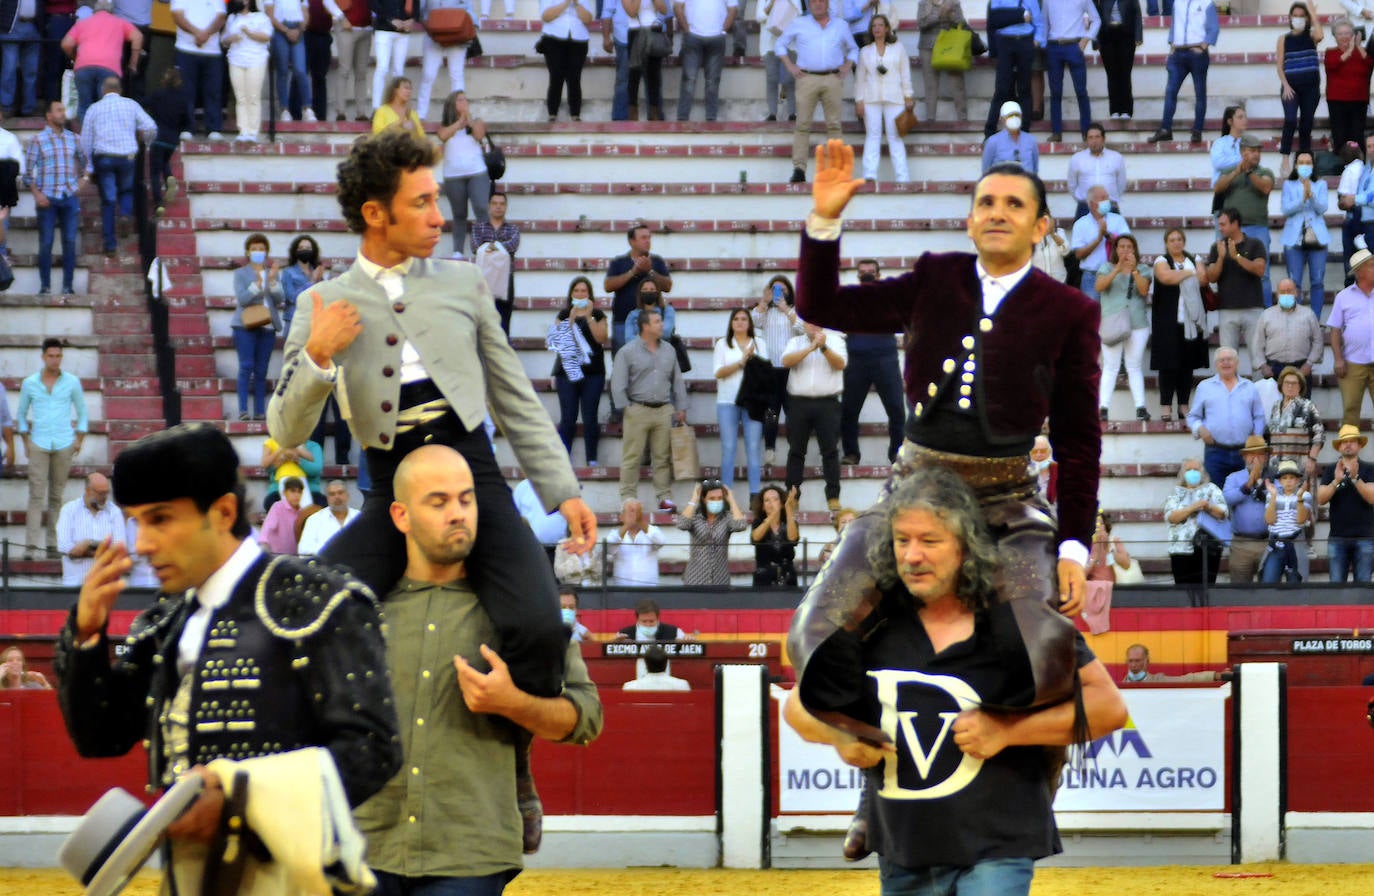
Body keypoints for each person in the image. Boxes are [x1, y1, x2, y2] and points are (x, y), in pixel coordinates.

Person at [268, 130, 596, 706]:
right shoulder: (319, 304)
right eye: (421, 203)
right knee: (302, 615)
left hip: (475, 480)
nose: (440, 217)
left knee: (542, 626)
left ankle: (511, 757)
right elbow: (285, 432)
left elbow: (514, 394)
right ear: (375, 214)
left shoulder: (465, 282)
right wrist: (318, 353)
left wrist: (562, 492)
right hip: (390, 494)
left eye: (436, 199)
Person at [790, 145, 1100, 738]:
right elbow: (820, 304)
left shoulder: (1070, 310)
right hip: (913, 492)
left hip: (1007, 502)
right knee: (815, 635)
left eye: (1013, 204)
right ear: (969, 219)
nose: (996, 212)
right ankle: (883, 762)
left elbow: (1079, 442)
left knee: (1039, 655)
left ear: (1040, 227)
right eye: (985, 202)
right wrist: (824, 222)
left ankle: (1009, 764)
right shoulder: (936, 275)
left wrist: (1074, 549)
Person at [53, 424, 402, 878]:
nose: (141, 544)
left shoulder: (315, 600)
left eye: (160, 519)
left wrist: (238, 804)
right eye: (137, 522)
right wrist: (85, 637)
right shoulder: (164, 621)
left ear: (221, 512)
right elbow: (101, 737)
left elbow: (373, 749)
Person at [783, 468, 1127, 896]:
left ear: (965, 548)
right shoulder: (872, 626)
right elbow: (797, 707)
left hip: (998, 846)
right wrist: (839, 736)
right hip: (903, 852)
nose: (912, 555)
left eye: (930, 541)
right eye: (902, 540)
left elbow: (1109, 708)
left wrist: (1008, 731)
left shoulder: (1020, 622)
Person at [353, 444, 602, 877]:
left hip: (471, 855)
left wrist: (514, 704)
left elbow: (587, 719)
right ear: (400, 516)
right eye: (438, 501)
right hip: (360, 849)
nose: (457, 513)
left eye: (466, 500)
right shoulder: (358, 609)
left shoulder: (520, 608)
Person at [17, 338, 87, 561]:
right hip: (39, 442)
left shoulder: (72, 382)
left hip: (64, 443)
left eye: (58, 356)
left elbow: (82, 412)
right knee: (36, 495)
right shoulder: (30, 383)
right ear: (43, 356)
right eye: (51, 356)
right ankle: (30, 547)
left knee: (56, 496)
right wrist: (25, 441)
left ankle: (52, 545)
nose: (55, 360)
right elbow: (21, 414)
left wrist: (79, 439)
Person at [775, 0, 859, 184]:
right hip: (807, 78)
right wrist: (790, 66)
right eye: (814, 1)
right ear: (809, 4)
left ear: (828, 3)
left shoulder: (841, 25)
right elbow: (780, 45)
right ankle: (799, 169)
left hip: (833, 78)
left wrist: (847, 65)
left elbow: (853, 48)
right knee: (802, 125)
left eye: (822, 0)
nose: (818, 4)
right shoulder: (799, 23)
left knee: (834, 125)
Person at [612, 309, 687, 511]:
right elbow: (618, 383)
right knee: (632, 456)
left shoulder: (669, 350)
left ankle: (664, 497)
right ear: (645, 326)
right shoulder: (627, 351)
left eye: (661, 321)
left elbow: (677, 380)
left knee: (662, 457)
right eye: (657, 321)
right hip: (638, 408)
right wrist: (626, 408)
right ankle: (628, 497)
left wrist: (680, 407)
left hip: (663, 409)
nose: (661, 325)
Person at [78, 76, 155, 256]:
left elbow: (85, 140)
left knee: (108, 200)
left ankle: (110, 244)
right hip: (127, 155)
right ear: (120, 90)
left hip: (104, 156)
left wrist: (88, 166)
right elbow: (151, 127)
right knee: (127, 191)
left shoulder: (94, 108)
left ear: (103, 90)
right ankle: (125, 214)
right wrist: (146, 143)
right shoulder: (131, 105)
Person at [840, 259, 905, 466]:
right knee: (849, 410)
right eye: (863, 273)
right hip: (856, 360)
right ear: (858, 276)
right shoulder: (849, 298)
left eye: (871, 272)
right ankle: (851, 453)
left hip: (885, 358)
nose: (866, 275)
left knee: (896, 408)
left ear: (878, 275)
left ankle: (897, 452)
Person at [783, 320, 848, 511]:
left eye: (816, 322)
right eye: (809, 323)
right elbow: (786, 361)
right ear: (804, 325)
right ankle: (793, 495)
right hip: (798, 403)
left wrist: (824, 347)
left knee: (830, 451)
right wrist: (811, 348)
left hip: (827, 403)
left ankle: (833, 496)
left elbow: (840, 364)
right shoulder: (795, 342)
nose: (813, 326)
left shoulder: (836, 341)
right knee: (796, 450)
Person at [24, 100, 85, 297]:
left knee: (69, 242)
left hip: (69, 197)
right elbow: (27, 174)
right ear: (49, 116)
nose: (63, 114)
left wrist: (82, 182)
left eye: (63, 110)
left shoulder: (74, 139)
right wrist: (37, 193)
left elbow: (87, 163)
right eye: (58, 110)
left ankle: (68, 286)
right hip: (47, 198)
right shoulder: (38, 140)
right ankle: (45, 287)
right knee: (46, 243)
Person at [1150, 228, 1211, 422]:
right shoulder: (1161, 261)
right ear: (1166, 243)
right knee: (1167, 367)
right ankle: (1166, 407)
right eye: (1172, 240)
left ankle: (1184, 406)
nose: (1176, 243)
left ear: (1184, 241)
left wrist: (1182, 274)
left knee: (1187, 366)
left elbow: (1203, 279)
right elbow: (1165, 277)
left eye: (1179, 239)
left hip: (1191, 321)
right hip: (1168, 322)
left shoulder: (1195, 258)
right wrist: (1190, 272)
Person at [1187, 347, 1266, 487]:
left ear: (1236, 362)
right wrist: (1200, 429)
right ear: (1216, 364)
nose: (1225, 363)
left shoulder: (1249, 387)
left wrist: (1256, 438)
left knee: (1244, 494)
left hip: (1245, 452)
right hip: (1215, 452)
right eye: (1221, 360)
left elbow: (1259, 416)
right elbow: (1193, 417)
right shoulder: (1205, 387)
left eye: (1229, 359)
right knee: (1216, 496)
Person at [550, 275, 608, 466]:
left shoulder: (598, 314)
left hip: (593, 373)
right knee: (568, 417)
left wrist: (589, 318)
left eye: (584, 291)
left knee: (590, 416)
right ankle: (563, 460)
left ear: (590, 294)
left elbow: (601, 338)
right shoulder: (564, 314)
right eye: (576, 291)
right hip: (567, 373)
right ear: (571, 294)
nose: (580, 294)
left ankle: (592, 459)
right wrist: (572, 321)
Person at [1094, 232, 1152, 421]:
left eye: (1129, 246)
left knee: (1134, 366)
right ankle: (1103, 408)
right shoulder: (1106, 267)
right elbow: (1099, 286)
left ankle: (1140, 407)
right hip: (1112, 322)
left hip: (1137, 323)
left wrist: (1133, 270)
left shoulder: (1143, 269)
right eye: (1122, 247)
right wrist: (1117, 269)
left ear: (1134, 249)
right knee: (1110, 366)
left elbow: (1144, 290)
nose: (1125, 250)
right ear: (1116, 250)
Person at [1213, 136, 1276, 309]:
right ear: (1242, 152)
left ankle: (1265, 312)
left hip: (1257, 227)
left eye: (1258, 151)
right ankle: (1227, 308)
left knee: (1263, 272)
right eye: (1252, 151)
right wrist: (1236, 172)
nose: (1256, 154)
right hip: (1231, 229)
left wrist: (1249, 172)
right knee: (1227, 269)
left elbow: (1265, 187)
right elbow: (1218, 188)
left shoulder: (1264, 172)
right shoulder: (1230, 171)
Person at [1147, 0, 1218, 145]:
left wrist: (1203, 46)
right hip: (1178, 52)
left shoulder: (1206, 3)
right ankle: (1166, 129)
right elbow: (1174, 26)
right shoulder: (1177, 2)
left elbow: (1213, 28)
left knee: (1199, 93)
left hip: (1197, 51)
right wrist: (1171, 46)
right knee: (1170, 91)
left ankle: (1197, 130)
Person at [715, 307, 769, 497]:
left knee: (753, 447)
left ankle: (755, 495)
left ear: (749, 323)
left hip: (753, 401)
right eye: (736, 319)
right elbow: (719, 372)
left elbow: (766, 372)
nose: (739, 322)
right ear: (731, 323)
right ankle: (726, 494)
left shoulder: (759, 343)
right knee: (728, 447)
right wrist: (741, 362)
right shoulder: (722, 344)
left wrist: (752, 361)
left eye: (744, 319)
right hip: (727, 401)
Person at [231, 232, 285, 422]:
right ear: (247, 251)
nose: (258, 252)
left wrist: (272, 282)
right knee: (246, 366)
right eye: (254, 249)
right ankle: (244, 410)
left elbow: (280, 300)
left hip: (268, 325)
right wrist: (258, 284)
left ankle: (260, 412)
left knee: (262, 370)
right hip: (245, 324)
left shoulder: (272, 273)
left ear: (267, 251)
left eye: (261, 249)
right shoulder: (240, 273)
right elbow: (243, 299)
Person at [853, 14, 912, 184]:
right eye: (874, 26)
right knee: (873, 135)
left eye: (880, 25)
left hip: (895, 98)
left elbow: (905, 73)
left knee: (895, 137)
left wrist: (908, 95)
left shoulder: (898, 48)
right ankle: (869, 174)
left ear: (887, 28)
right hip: (871, 99)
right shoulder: (865, 51)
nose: (877, 29)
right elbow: (860, 79)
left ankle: (903, 177)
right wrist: (859, 100)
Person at [58, 0, 142, 120]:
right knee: (105, 107)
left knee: (84, 106)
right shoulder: (120, 22)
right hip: (109, 68)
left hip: (83, 67)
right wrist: (133, 63)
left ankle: (86, 136)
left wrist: (76, 58)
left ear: (94, 11)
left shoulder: (83, 23)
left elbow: (66, 44)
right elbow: (138, 36)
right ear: (112, 11)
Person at [751, 274, 804, 466]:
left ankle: (795, 451)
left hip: (792, 369)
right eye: (775, 289)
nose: (779, 293)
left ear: (789, 292)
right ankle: (770, 450)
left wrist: (786, 310)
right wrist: (764, 302)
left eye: (783, 289)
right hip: (771, 369)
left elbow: (802, 329)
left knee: (793, 412)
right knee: (771, 413)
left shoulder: (795, 311)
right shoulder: (766, 312)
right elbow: (754, 321)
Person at [1206, 208, 1268, 356]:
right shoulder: (1217, 247)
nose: (1220, 228)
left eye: (1223, 224)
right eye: (1219, 224)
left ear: (1235, 223)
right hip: (1227, 309)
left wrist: (1237, 257)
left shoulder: (1255, 244)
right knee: (1227, 358)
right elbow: (1211, 277)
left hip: (1253, 307)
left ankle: (1259, 381)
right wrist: (1221, 258)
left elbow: (1260, 270)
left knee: (1258, 357)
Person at [604, 223, 672, 356]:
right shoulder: (619, 262)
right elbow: (608, 286)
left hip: (652, 321)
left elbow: (668, 286)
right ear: (631, 241)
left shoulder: (656, 261)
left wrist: (650, 271)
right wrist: (633, 272)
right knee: (622, 360)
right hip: (622, 322)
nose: (648, 241)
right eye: (643, 238)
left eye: (649, 237)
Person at [982, 0, 1046, 139]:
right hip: (1004, 42)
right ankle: (989, 131)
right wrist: (1020, 16)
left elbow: (1039, 23)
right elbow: (994, 19)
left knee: (1024, 88)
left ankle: (1024, 131)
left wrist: (1037, 40)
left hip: (1025, 41)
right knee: (1002, 89)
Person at [437, 91, 490, 256]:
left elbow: (479, 134)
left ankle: (485, 247)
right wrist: (458, 123)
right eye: (460, 100)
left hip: (477, 172)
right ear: (452, 104)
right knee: (459, 214)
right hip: (454, 175)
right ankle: (458, 251)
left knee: (481, 208)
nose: (464, 102)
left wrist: (468, 120)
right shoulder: (446, 125)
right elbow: (443, 136)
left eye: (465, 100)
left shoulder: (477, 121)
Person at [1319, 424, 1374, 581]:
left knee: (1363, 589)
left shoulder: (1370, 469)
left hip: (1365, 538)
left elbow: (1372, 497)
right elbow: (1321, 499)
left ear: (1359, 445)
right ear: (1339, 446)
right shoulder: (1331, 470)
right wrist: (1336, 481)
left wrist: (1355, 478)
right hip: (1338, 537)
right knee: (1336, 590)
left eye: (1352, 441)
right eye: (1344, 441)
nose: (1348, 444)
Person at [1281, 152, 1330, 320]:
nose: (1304, 166)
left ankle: (1315, 319)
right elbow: (1286, 209)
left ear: (1313, 165)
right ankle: (1297, 318)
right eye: (1301, 162)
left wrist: (1312, 195)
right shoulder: (1288, 184)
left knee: (1317, 281)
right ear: (1296, 165)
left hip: (1318, 238)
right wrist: (1302, 198)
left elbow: (1322, 208)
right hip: (1293, 239)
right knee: (1295, 282)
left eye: (1308, 162)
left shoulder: (1321, 184)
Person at [1163, 457, 1228, 586]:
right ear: (1183, 473)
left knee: (1207, 589)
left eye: (1196, 469)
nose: (1192, 472)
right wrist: (1193, 507)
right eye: (1188, 470)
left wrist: (1208, 507)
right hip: (1180, 550)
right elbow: (1171, 517)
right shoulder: (1176, 492)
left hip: (1207, 549)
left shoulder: (1211, 488)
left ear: (1202, 472)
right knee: (1183, 591)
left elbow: (1223, 513)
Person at [1328, 246, 1374, 425]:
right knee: (1350, 410)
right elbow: (1334, 330)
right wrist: (1338, 359)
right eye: (1371, 266)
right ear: (1360, 272)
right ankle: (1350, 452)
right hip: (1352, 363)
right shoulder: (1343, 297)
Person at [415, 0, 483, 121]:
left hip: (456, 33)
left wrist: (471, 27)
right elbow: (420, 11)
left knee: (456, 75)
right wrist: (429, 27)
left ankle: (459, 115)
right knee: (428, 75)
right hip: (433, 33)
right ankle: (421, 114)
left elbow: (468, 7)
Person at [1042, 0, 1098, 143]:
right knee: (1055, 92)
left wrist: (1086, 39)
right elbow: (1044, 22)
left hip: (1074, 45)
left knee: (1081, 91)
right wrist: (1044, 46)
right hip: (1054, 45)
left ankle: (1087, 132)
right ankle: (1056, 132)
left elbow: (1096, 20)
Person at [1276, 1, 1323, 171]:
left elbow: (1321, 35)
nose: (1298, 19)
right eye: (1295, 16)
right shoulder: (1283, 39)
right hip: (1291, 87)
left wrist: (1313, 14)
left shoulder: (1311, 36)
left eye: (1302, 16)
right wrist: (1286, 86)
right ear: (1290, 18)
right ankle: (1285, 158)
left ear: (1307, 18)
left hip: (1311, 87)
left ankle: (1305, 160)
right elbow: (1279, 66)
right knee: (1290, 120)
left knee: (1306, 123)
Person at [171, 0, 227, 139]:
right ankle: (186, 128)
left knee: (213, 91)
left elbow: (221, 17)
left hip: (212, 52)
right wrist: (198, 33)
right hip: (185, 49)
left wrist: (204, 34)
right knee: (185, 90)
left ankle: (214, 128)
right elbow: (178, 16)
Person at [676, 479, 749, 586]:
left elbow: (741, 525)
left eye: (719, 498)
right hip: (695, 578)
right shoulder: (695, 517)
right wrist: (694, 499)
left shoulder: (726, 518)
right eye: (712, 498)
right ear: (704, 499)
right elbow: (682, 524)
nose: (716, 501)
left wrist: (731, 499)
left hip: (720, 578)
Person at [55, 472, 123, 586]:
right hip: (75, 583)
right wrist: (101, 551)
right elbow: (65, 547)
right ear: (87, 491)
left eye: (106, 493)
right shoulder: (69, 510)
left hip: (106, 583)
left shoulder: (114, 511)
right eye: (100, 493)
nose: (104, 498)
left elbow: (120, 548)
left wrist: (88, 543)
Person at [1253, 281, 1324, 389]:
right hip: (1273, 370)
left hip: (1301, 369)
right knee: (1274, 405)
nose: (1286, 294)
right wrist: (1263, 366)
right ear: (1277, 295)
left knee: (1301, 405)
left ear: (1296, 293)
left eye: (1289, 291)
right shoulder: (1266, 315)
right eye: (1282, 292)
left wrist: (1309, 364)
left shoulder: (1308, 314)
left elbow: (1318, 340)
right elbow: (1257, 343)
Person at [1223, 435, 1274, 584]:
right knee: (1239, 592)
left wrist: (1261, 484)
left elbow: (1279, 500)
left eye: (1260, 454)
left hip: (1268, 542)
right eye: (1252, 454)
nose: (1255, 459)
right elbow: (1228, 499)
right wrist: (1248, 484)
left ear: (1265, 457)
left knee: (1268, 591)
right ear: (1244, 457)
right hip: (1241, 544)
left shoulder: (1274, 477)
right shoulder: (1233, 478)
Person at [674, 0, 736, 122]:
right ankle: (682, 118)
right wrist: (687, 30)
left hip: (715, 37)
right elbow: (677, 7)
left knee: (711, 80)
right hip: (694, 37)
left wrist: (722, 31)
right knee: (690, 79)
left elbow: (733, 9)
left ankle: (711, 118)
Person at [222, 0, 272, 142]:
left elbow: (266, 36)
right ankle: (243, 130)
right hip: (236, 59)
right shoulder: (232, 18)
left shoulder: (260, 17)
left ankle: (253, 131)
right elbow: (224, 39)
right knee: (241, 97)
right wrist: (231, 38)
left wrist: (248, 32)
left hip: (256, 59)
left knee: (253, 96)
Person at [1267, 365, 1323, 489]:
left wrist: (1312, 459)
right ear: (1281, 385)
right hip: (1276, 465)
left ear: (1300, 386)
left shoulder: (1308, 406)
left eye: (1294, 383)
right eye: (1286, 383)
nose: (1290, 386)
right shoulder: (1276, 406)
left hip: (1299, 465)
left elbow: (1319, 435)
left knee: (1301, 501)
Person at [472, 191, 520, 333]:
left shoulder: (513, 229)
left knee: (504, 323)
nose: (498, 207)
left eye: (501, 204)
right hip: (483, 279)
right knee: (483, 322)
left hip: (505, 280)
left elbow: (513, 245)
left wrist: (491, 246)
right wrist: (499, 247)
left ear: (505, 207)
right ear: (489, 206)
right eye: (494, 203)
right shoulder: (478, 227)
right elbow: (475, 246)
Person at [1070, 183, 1130, 298]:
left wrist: (1107, 235)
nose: (1107, 201)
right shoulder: (1081, 224)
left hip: (1116, 275)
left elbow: (1128, 245)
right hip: (1091, 278)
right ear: (1092, 204)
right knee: (1092, 315)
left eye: (1107, 197)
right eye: (1103, 198)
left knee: (1115, 315)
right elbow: (1079, 254)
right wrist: (1098, 239)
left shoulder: (1118, 220)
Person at [143, 67, 190, 212]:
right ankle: (169, 177)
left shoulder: (158, 95)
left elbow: (142, 103)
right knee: (164, 162)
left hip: (158, 137)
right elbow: (187, 121)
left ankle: (159, 204)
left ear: (164, 79)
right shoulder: (182, 98)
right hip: (172, 139)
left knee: (155, 173)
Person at [915, 0, 969, 122]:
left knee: (957, 83)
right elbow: (921, 24)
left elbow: (962, 23)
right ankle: (930, 119)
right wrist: (939, 14)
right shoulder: (924, 3)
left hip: (950, 46)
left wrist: (950, 15)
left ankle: (963, 118)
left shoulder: (953, 2)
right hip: (928, 47)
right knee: (930, 85)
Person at [540, 0, 593, 121]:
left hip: (578, 38)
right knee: (556, 76)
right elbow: (546, 16)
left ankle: (575, 114)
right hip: (553, 37)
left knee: (575, 77)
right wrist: (566, 2)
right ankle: (552, 113)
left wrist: (576, 3)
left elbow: (588, 19)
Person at [1325, 20, 1372, 153]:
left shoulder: (1362, 53)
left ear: (1353, 35)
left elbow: (1369, 65)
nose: (1344, 36)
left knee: (1357, 137)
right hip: (1337, 101)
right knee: (1340, 137)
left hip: (1359, 101)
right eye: (1340, 33)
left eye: (1347, 33)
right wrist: (1350, 50)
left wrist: (1359, 47)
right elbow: (1333, 65)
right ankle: (1341, 169)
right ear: (1334, 36)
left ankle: (1358, 169)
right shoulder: (1330, 52)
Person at [1261, 458, 1310, 582]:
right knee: (1268, 582)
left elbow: (1301, 520)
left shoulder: (1305, 495)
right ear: (1279, 480)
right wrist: (1273, 497)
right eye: (1284, 478)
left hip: (1295, 544)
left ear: (1298, 480)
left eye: (1292, 478)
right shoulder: (1271, 495)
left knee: (1296, 587)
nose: (1288, 481)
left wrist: (1299, 497)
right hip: (1276, 544)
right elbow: (1269, 520)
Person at [264, 0, 315, 121]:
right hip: (280, 30)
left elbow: (305, 13)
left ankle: (307, 108)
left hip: (298, 30)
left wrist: (299, 30)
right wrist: (286, 30)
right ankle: (284, 109)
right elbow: (270, 14)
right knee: (282, 71)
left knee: (300, 70)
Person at [1066, 123, 1126, 220]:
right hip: (1085, 207)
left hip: (1110, 206)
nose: (1094, 141)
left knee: (1113, 235)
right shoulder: (1077, 159)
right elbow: (1072, 184)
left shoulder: (1116, 158)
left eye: (1097, 137)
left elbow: (1121, 183)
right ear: (1086, 140)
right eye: (1091, 137)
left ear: (1103, 139)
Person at [1094, 0, 1142, 120]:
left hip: (1126, 37)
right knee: (1112, 75)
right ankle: (1114, 110)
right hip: (1107, 38)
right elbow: (1095, 17)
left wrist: (1138, 36)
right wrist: (1095, 41)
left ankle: (1126, 110)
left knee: (1125, 74)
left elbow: (1137, 14)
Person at [623, 0, 669, 121]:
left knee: (654, 75)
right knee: (634, 74)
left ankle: (654, 113)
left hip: (653, 30)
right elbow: (632, 12)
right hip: (636, 32)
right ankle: (633, 113)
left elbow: (664, 10)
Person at [331, 0, 373, 122]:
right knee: (344, 69)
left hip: (366, 28)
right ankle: (341, 111)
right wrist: (340, 17)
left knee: (361, 72)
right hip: (346, 27)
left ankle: (361, 112)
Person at [607, 498, 665, 586]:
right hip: (622, 591)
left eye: (637, 512)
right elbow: (608, 548)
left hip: (649, 592)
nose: (633, 515)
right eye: (629, 512)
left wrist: (641, 522)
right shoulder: (614, 534)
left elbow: (661, 541)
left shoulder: (652, 531)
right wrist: (627, 525)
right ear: (621, 517)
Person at [759, 0, 800, 121]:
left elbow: (799, 14)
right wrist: (772, 3)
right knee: (771, 80)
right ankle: (772, 113)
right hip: (769, 45)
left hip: (790, 44)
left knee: (790, 80)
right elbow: (759, 17)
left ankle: (793, 113)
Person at [751, 483, 799, 587]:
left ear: (782, 503)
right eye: (767, 500)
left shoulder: (789, 522)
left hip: (787, 574)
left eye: (775, 499)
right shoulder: (758, 522)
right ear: (762, 506)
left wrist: (789, 510)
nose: (771, 503)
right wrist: (772, 515)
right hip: (763, 575)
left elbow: (793, 539)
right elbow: (755, 537)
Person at [369, 0, 413, 112]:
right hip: (384, 29)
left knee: (398, 71)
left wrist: (412, 19)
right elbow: (373, 3)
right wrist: (390, 19)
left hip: (403, 32)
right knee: (382, 68)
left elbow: (415, 4)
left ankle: (397, 108)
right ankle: (376, 108)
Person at [0, 0, 41, 118]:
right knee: (9, 69)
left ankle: (29, 108)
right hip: (11, 26)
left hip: (32, 26)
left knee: (31, 71)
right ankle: (6, 106)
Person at [297, 478, 360, 555]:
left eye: (340, 493)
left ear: (347, 496)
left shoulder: (359, 518)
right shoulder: (315, 520)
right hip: (325, 564)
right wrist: (332, 549)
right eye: (332, 494)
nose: (337, 497)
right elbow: (303, 549)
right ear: (327, 498)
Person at [280, 233, 327, 333]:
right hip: (294, 320)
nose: (304, 250)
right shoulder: (288, 272)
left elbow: (322, 296)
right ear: (295, 251)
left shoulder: (315, 271)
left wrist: (321, 281)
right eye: (301, 248)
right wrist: (311, 282)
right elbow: (291, 298)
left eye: (308, 248)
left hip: (314, 320)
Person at [261, 436, 324, 509]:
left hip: (309, 488)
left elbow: (315, 470)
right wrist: (282, 458)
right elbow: (268, 468)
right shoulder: (272, 442)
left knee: (316, 505)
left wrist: (298, 460)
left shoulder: (313, 446)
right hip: (277, 488)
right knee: (275, 503)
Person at [981, 100, 1040, 174]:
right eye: (1010, 116)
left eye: (1017, 115)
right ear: (1002, 119)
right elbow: (986, 170)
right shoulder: (992, 142)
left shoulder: (1031, 140)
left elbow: (1035, 169)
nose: (1014, 118)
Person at [1122, 643, 1228, 682]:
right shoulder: (1117, 689)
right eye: (1130, 661)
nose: (1134, 665)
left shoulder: (1159, 681)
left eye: (1137, 661)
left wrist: (1216, 676)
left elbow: (1188, 679)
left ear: (1147, 661)